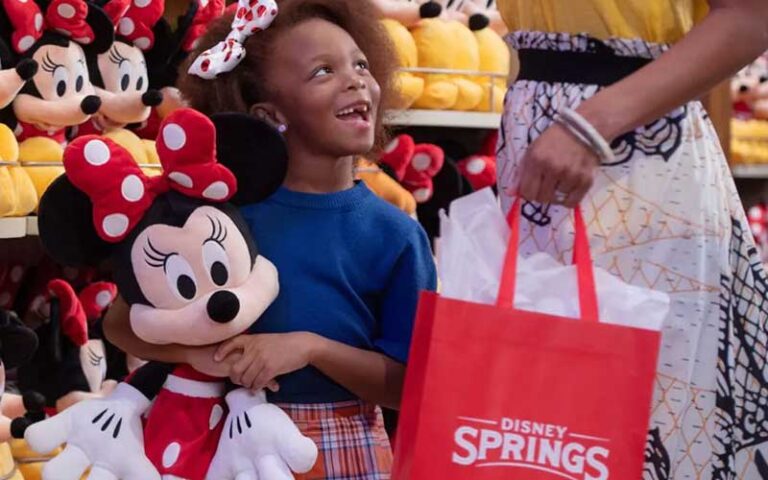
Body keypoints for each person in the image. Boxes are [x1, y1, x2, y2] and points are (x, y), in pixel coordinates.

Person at [103, 0, 437, 478]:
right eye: (323, 71)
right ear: (268, 113)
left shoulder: (397, 233)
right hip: (216, 439)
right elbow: (121, 322)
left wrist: (309, 347)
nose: (355, 79)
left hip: (343, 449)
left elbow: (413, 383)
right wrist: (199, 354)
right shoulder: (218, 219)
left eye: (360, 63)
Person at [495, 0, 768, 478]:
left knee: (647, 413)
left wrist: (590, 126)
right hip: (537, 140)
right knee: (540, 425)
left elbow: (753, 15)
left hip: (630, 153)